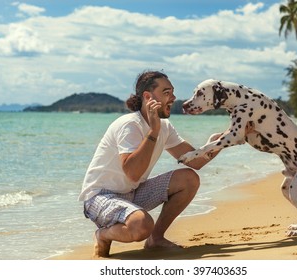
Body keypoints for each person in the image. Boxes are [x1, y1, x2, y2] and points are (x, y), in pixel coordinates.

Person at [78, 70, 220, 258]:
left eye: (172, 92)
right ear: (148, 97)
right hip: (100, 197)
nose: (173, 98)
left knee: (188, 178)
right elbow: (133, 173)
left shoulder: (165, 127)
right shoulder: (130, 125)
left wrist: (222, 141)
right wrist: (153, 132)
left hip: (132, 193)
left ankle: (156, 239)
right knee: (141, 225)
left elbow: (196, 161)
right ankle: (103, 234)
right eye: (166, 92)